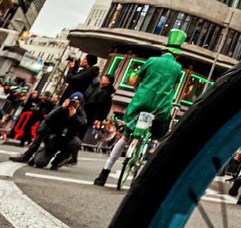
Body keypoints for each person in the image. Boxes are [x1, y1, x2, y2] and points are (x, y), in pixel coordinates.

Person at [94, 29, 186, 187]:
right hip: (161, 106)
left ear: (163, 51)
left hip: (141, 101)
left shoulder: (151, 61)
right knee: (157, 132)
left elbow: (138, 79)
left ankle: (104, 173)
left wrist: (139, 92)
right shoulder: (177, 68)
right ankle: (145, 150)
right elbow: (173, 87)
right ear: (176, 55)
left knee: (125, 136)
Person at [12, 94, 87, 169]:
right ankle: (37, 155)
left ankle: (58, 161)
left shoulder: (80, 112)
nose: (73, 104)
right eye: (72, 101)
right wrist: (61, 108)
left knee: (76, 142)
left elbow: (83, 123)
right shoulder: (61, 109)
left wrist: (74, 115)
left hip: (67, 139)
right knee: (40, 163)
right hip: (54, 139)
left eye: (76, 102)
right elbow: (48, 118)